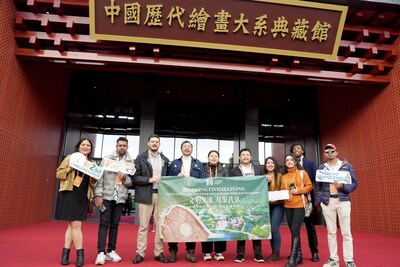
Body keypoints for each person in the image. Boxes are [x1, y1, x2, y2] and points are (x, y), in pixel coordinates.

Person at [55, 138, 98, 267]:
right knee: (75, 224)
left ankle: (65, 254)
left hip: (83, 194)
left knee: (72, 225)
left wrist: (95, 178)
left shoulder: (92, 162)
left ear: (90, 148)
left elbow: (92, 183)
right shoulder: (70, 157)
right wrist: (69, 168)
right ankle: (79, 254)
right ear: (78, 147)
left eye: (88, 145)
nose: (85, 147)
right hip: (69, 192)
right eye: (83, 145)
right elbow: (59, 174)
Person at [316, 144, 358, 267]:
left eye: (332, 151)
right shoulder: (321, 168)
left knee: (346, 232)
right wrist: (320, 200)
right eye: (327, 151)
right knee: (331, 232)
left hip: (343, 201)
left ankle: (349, 259)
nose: (329, 153)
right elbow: (318, 186)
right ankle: (333, 259)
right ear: (324, 153)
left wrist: (343, 186)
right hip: (328, 202)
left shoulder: (346, 166)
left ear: (336, 152)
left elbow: (354, 184)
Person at [94, 137, 134, 265]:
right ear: (116, 146)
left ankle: (111, 250)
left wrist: (125, 178)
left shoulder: (130, 162)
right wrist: (98, 195)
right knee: (104, 223)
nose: (122, 147)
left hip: (120, 198)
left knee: (115, 225)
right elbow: (99, 178)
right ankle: (101, 252)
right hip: (106, 196)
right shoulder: (107, 159)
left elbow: (131, 183)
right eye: (120, 145)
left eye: (124, 146)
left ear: (127, 147)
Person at [131, 134, 170, 264]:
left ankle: (158, 253)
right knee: (143, 226)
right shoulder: (140, 158)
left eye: (156, 142)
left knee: (160, 226)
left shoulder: (164, 159)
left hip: (161, 195)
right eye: (152, 141)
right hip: (145, 194)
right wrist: (149, 179)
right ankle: (140, 253)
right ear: (148, 143)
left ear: (159, 144)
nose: (154, 144)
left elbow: (168, 178)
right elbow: (134, 177)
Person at [167, 140, 206, 263]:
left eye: (189, 147)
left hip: (192, 199)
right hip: (176, 198)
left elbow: (203, 181)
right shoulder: (174, 163)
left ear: (192, 149)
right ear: (181, 149)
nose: (187, 148)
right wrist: (176, 177)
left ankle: (190, 251)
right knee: (174, 223)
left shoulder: (198, 163)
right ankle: (173, 251)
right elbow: (167, 180)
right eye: (185, 146)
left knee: (192, 224)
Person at [229, 148, 264, 263]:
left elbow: (263, 184)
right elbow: (230, 185)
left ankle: (258, 254)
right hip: (240, 202)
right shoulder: (234, 171)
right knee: (241, 227)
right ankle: (240, 254)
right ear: (239, 157)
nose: (245, 156)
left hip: (255, 202)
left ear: (251, 156)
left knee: (255, 227)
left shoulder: (258, 170)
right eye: (243, 155)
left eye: (247, 155)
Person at [281, 153, 313, 267]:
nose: (289, 161)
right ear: (285, 163)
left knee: (295, 230)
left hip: (300, 205)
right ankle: (299, 256)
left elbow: (310, 186)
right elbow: (282, 191)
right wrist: (285, 194)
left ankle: (293, 258)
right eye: (287, 160)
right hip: (288, 206)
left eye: (291, 160)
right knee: (293, 231)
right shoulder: (283, 177)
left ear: (295, 162)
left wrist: (298, 190)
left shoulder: (302, 173)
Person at [290, 144, 319, 262]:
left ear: (303, 150)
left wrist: (317, 198)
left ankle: (315, 252)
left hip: (308, 200)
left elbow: (316, 181)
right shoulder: (289, 164)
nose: (296, 150)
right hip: (294, 202)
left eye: (298, 148)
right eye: (294, 149)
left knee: (310, 227)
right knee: (295, 229)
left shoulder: (310, 163)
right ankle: (296, 254)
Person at [201, 150, 229, 261]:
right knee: (207, 223)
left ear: (218, 158)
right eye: (211, 156)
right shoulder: (203, 170)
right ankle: (206, 252)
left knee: (220, 224)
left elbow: (228, 184)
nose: (213, 158)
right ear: (208, 158)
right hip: (206, 201)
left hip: (220, 201)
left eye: (216, 156)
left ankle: (219, 251)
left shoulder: (224, 170)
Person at [264, 156, 284, 262]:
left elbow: (285, 190)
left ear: (275, 164)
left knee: (274, 228)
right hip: (266, 206)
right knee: (269, 230)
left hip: (278, 205)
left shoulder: (281, 176)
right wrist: (266, 182)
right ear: (265, 165)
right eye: (268, 163)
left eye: (272, 162)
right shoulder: (262, 177)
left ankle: (277, 253)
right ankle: (273, 252)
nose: (270, 164)